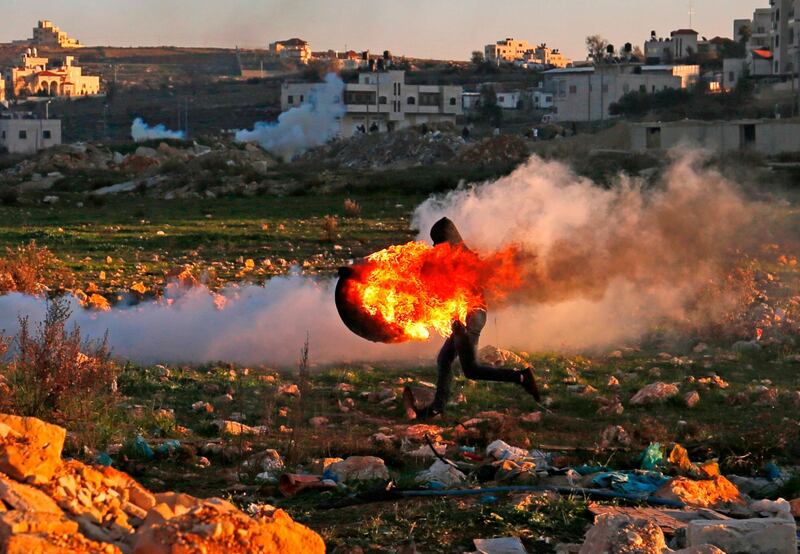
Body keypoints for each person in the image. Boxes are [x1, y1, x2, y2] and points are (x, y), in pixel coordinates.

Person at [404, 217, 540, 419]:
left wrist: (459, 322)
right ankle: (437, 408)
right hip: (466, 317)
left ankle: (521, 377)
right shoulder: (455, 257)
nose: (438, 248)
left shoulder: (462, 259)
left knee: (471, 370)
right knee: (444, 359)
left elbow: (462, 291)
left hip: (471, 317)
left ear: (448, 240)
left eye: (440, 243)